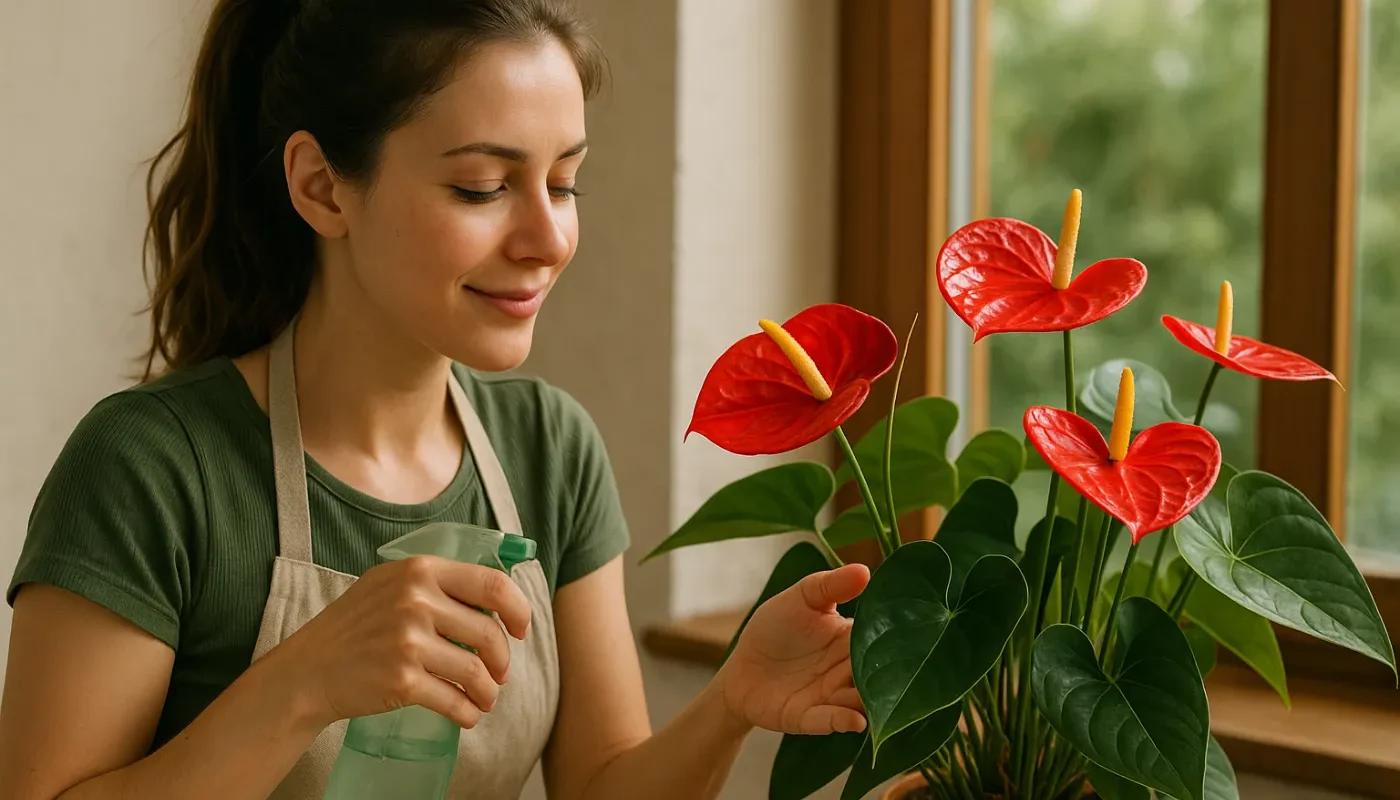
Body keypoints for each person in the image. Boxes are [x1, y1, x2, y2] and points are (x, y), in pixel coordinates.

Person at [0, 1, 871, 798]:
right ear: (321, 186)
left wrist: (733, 701)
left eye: (564, 182)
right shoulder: (151, 468)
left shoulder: (549, 447)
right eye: (483, 188)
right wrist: (307, 681)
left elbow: (602, 785)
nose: (548, 239)